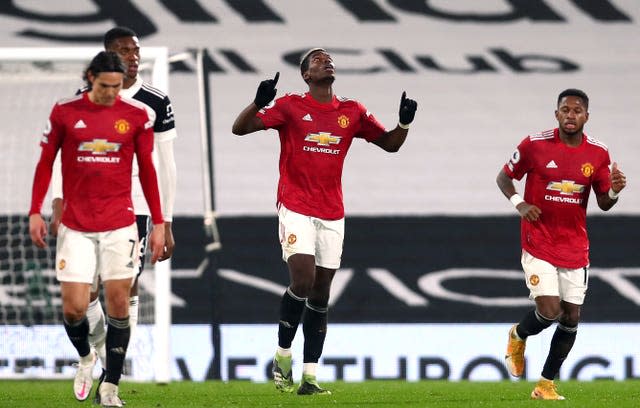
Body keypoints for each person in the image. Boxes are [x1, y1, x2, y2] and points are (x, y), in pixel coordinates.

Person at [232, 48, 417, 395]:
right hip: (296, 205)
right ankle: (282, 355)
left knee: (320, 295)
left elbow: (390, 145)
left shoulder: (352, 110)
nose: (325, 61)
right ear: (305, 75)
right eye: (316, 60)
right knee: (302, 280)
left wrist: (404, 123)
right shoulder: (289, 105)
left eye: (328, 58)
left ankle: (310, 377)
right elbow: (239, 128)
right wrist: (257, 103)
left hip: (332, 212)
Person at [29, 51, 165, 407]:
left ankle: (111, 388)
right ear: (90, 77)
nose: (110, 93)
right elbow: (46, 163)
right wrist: (35, 211)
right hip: (76, 225)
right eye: (105, 86)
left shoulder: (137, 116)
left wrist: (161, 222)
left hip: (120, 223)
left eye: (117, 87)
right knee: (74, 309)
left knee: (120, 302)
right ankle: (87, 357)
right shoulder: (65, 111)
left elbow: (148, 172)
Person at [497, 88, 626, 400]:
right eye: (565, 110)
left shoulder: (598, 153)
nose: (571, 115)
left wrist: (616, 192)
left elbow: (604, 203)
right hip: (538, 239)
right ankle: (518, 334)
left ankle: (545, 384)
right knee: (550, 310)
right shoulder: (535, 145)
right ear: (557, 114)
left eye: (577, 110)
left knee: (571, 317)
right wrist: (519, 204)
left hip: (575, 246)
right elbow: (504, 177)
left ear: (586, 117)